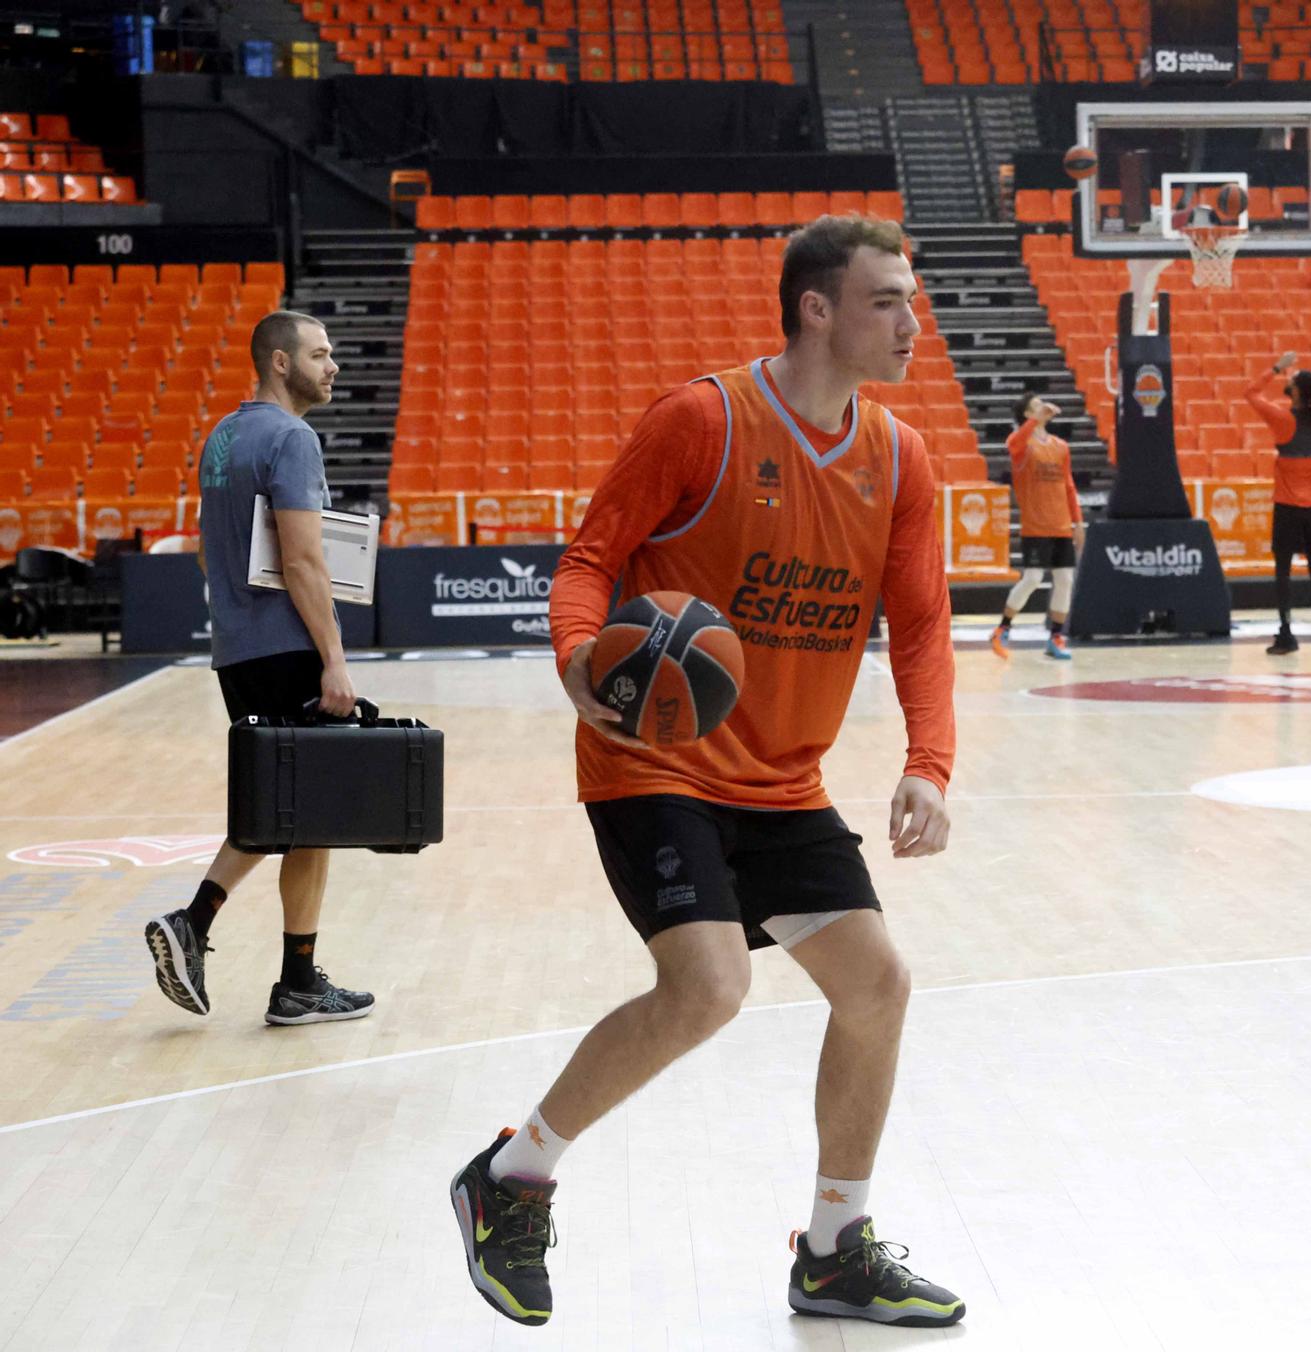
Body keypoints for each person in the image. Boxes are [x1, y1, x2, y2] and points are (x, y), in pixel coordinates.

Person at [448, 216, 964, 1330]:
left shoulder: (900, 459)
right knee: (710, 984)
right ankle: (512, 1174)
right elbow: (588, 557)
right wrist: (579, 658)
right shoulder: (702, 420)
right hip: (655, 763)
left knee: (877, 984)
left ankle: (833, 1248)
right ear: (816, 308)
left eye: (909, 299)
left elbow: (921, 624)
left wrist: (929, 761)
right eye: (885, 300)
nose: (909, 321)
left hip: (782, 779)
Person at [142, 311, 374, 1027]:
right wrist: (333, 659)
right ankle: (196, 923)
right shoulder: (292, 437)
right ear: (280, 362)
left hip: (237, 647)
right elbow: (304, 559)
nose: (332, 366)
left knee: (299, 814)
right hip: (287, 647)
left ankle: (297, 980)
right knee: (298, 808)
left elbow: (214, 553)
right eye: (320, 354)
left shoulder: (222, 437)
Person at [1245, 320, 1311, 654]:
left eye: (1292, 380)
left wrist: (1276, 367)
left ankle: (1286, 633)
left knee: (1282, 570)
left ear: (1297, 392)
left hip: (1287, 506)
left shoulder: (1282, 421)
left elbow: (1250, 393)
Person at [989, 391, 1083, 660]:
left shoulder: (1061, 446)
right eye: (1036, 406)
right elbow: (1015, 443)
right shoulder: (1020, 444)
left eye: (1042, 404)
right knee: (1032, 578)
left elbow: (1069, 486)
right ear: (1028, 415)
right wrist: (1033, 422)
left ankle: (1056, 637)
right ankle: (1002, 628)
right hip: (1036, 525)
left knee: (1065, 579)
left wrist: (1077, 522)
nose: (1043, 407)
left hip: (1061, 524)